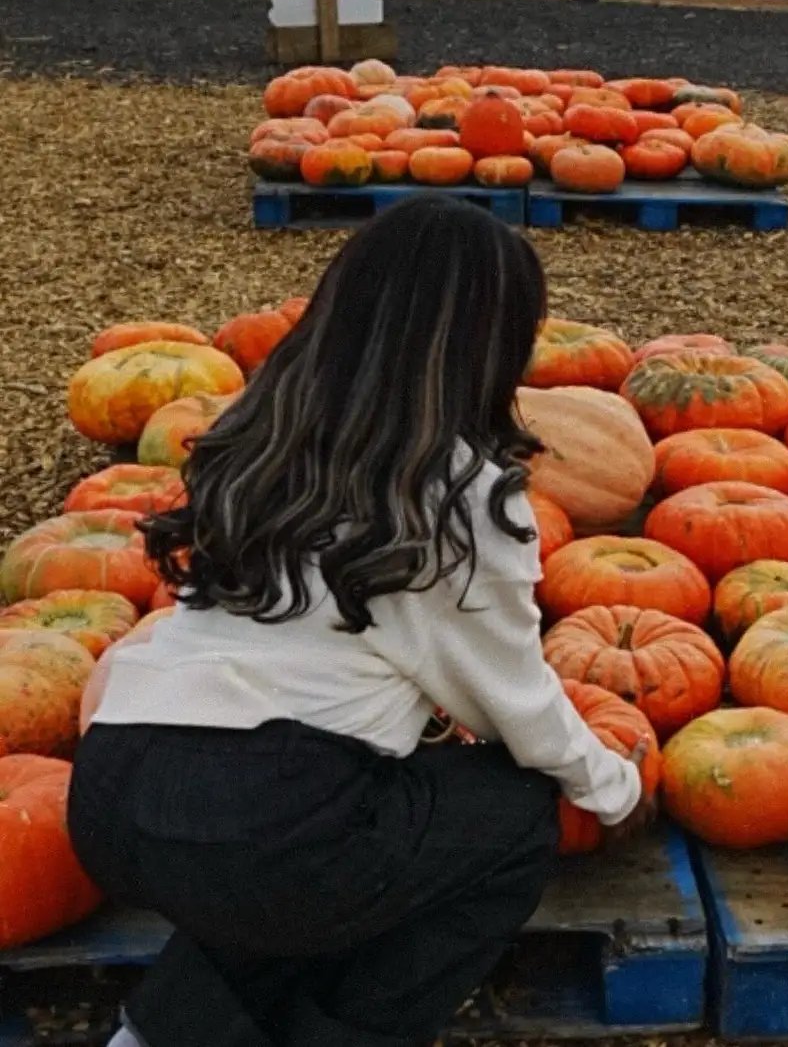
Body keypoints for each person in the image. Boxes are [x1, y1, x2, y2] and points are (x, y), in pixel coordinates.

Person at [69, 200, 645, 1047]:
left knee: (286, 862)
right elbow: (512, 705)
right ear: (494, 346)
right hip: (268, 821)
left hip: (112, 793)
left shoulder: (255, 434)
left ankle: (158, 1034)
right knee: (508, 818)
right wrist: (616, 790)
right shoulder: (459, 494)